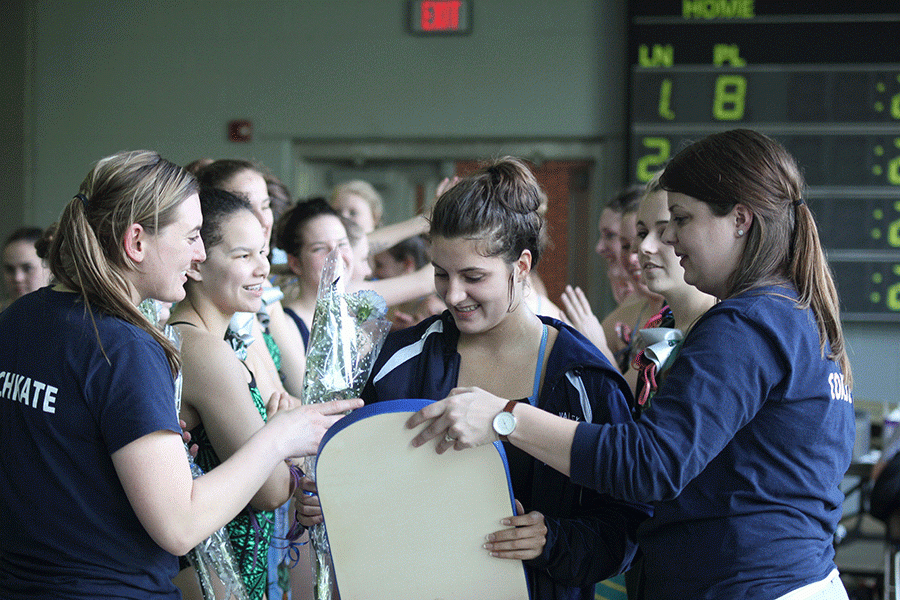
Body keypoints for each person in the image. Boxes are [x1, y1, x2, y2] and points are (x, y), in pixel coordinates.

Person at [406, 130, 854, 600]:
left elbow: (650, 464)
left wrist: (505, 417)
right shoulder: (798, 315)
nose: (668, 240)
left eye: (680, 219)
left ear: (740, 219)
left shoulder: (746, 324)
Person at [0, 150, 360, 599]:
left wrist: (162, 460)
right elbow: (179, 525)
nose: (200, 254)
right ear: (136, 242)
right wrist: (280, 438)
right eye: (191, 236)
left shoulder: (21, 317)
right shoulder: (125, 345)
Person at [361, 157, 649, 600]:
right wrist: (329, 497)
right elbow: (365, 479)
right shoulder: (400, 361)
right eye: (441, 274)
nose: (453, 295)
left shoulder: (583, 378)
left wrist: (552, 539)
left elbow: (623, 522)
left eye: (473, 277)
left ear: (521, 266)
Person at [168, 186, 308, 599]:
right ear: (196, 263)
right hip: (208, 577)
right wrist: (287, 438)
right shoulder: (205, 353)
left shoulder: (208, 341)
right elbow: (270, 490)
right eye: (243, 256)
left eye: (264, 253)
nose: (262, 268)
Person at [2, 226, 52, 303]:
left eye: (28, 268)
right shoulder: (3, 313)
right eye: (10, 269)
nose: (18, 278)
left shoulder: (67, 313)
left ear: (51, 268)